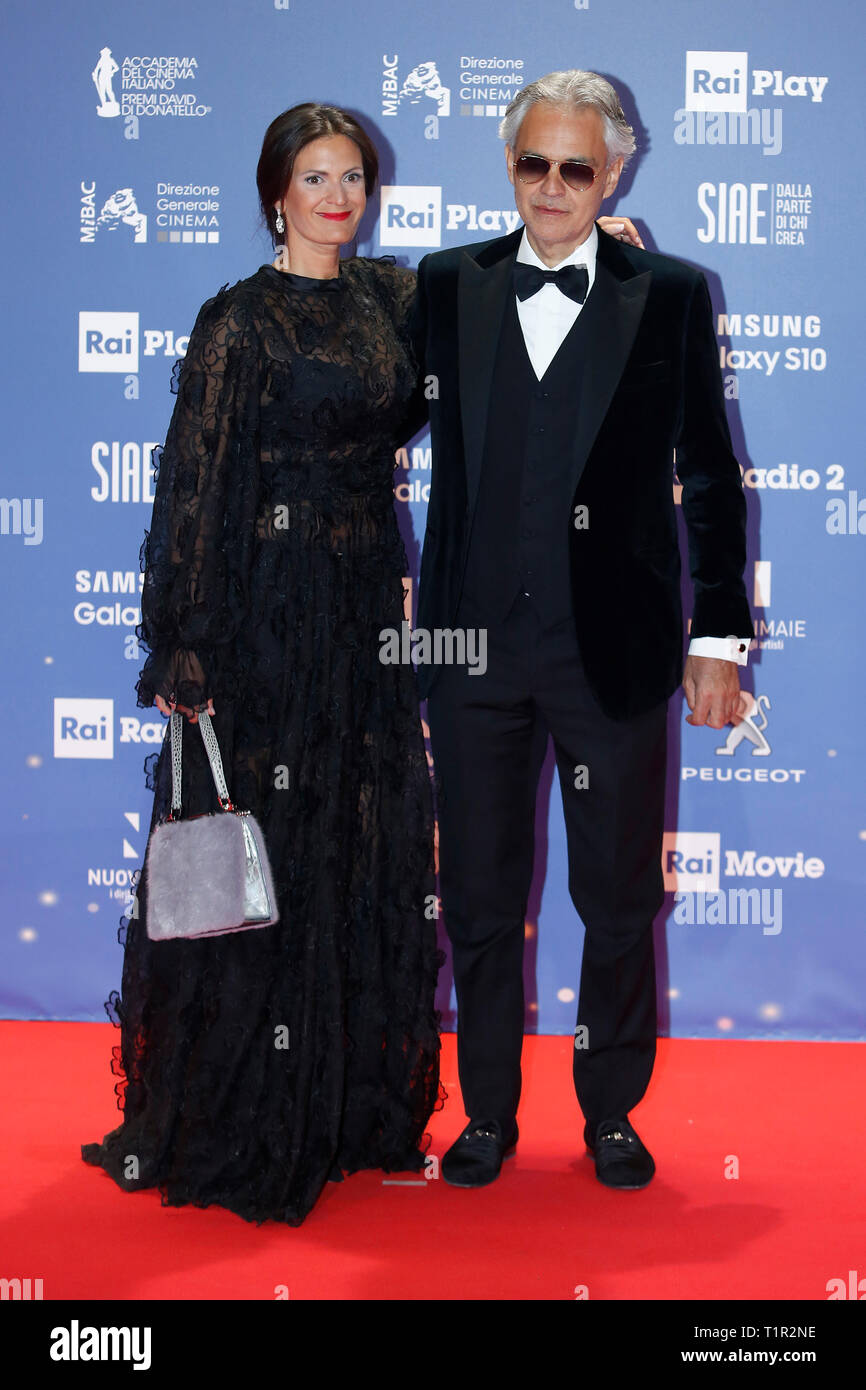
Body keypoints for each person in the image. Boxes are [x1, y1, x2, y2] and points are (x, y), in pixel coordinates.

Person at [81, 103, 446, 1226]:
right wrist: (186, 635)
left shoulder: (392, 301)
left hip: (365, 607)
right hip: (266, 614)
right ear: (275, 192)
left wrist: (588, 252)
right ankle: (243, 1111)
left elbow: (492, 299)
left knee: (356, 832)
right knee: (266, 850)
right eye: (315, 177)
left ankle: (339, 1105)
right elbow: (195, 477)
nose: (338, 196)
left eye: (353, 177)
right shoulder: (237, 322)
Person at [411, 71, 754, 1190]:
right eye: (531, 164)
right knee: (475, 897)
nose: (551, 188)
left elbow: (708, 472)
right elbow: (367, 421)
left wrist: (718, 637)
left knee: (615, 898)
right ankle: (489, 1117)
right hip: (466, 653)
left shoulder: (665, 292)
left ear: (612, 172)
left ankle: (607, 1109)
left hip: (607, 651)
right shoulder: (444, 285)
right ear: (506, 167)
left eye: (575, 167)